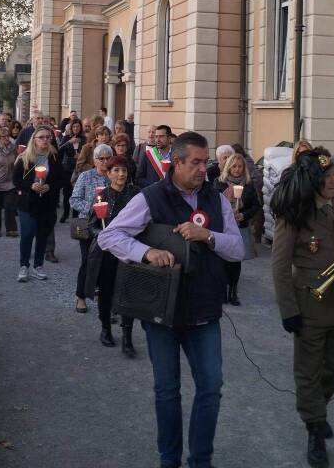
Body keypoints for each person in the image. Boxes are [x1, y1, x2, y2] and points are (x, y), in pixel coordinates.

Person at [99, 132, 244, 468]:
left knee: (211, 387)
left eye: (205, 162)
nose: (202, 169)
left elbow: (237, 249)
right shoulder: (151, 197)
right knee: (167, 391)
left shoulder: (216, 198)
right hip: (162, 309)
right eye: (194, 162)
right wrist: (146, 251)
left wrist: (208, 236)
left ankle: (201, 460)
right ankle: (169, 460)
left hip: (205, 310)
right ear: (176, 163)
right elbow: (110, 236)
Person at [271, 148, 334, 468]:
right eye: (327, 177)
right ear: (313, 181)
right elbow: (280, 265)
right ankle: (314, 428)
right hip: (308, 303)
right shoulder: (295, 214)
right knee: (308, 370)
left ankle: (315, 408)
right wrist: (288, 310)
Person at [83, 154, 140, 354]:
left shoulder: (135, 194)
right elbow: (92, 225)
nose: (121, 174)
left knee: (128, 294)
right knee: (106, 293)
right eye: (116, 170)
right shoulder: (102, 196)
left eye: (124, 170)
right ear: (108, 174)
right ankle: (105, 329)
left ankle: (127, 336)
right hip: (107, 254)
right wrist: (105, 237)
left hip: (130, 252)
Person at [11, 126, 63, 282]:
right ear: (34, 139)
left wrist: (50, 186)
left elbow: (61, 179)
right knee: (27, 234)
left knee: (42, 235)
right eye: (41, 137)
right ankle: (24, 266)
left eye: (48, 137)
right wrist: (30, 186)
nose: (45, 140)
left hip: (46, 203)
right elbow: (16, 180)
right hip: (27, 202)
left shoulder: (54, 157)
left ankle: (38, 265)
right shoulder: (25, 157)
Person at [70, 143, 114, 313]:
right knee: (87, 262)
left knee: (108, 265)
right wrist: (93, 209)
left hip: (110, 227)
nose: (104, 162)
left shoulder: (115, 176)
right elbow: (74, 199)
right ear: (94, 160)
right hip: (88, 226)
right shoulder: (85, 176)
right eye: (100, 158)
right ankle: (80, 297)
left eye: (107, 158)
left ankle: (106, 303)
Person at [214, 151, 261, 306]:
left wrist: (243, 215)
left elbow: (255, 206)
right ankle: (222, 290)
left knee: (235, 260)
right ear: (228, 167)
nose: (237, 169)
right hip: (223, 227)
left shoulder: (248, 185)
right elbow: (212, 204)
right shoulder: (218, 183)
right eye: (234, 166)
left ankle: (233, 291)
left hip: (240, 226)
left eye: (240, 166)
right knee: (222, 260)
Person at [59, 119, 85, 221]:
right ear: (71, 128)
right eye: (74, 127)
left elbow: (88, 151)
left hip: (79, 169)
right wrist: (69, 142)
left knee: (77, 192)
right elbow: (59, 149)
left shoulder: (84, 139)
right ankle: (65, 214)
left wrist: (80, 155)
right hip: (67, 168)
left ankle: (75, 215)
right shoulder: (66, 138)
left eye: (78, 126)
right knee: (67, 192)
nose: (76, 128)